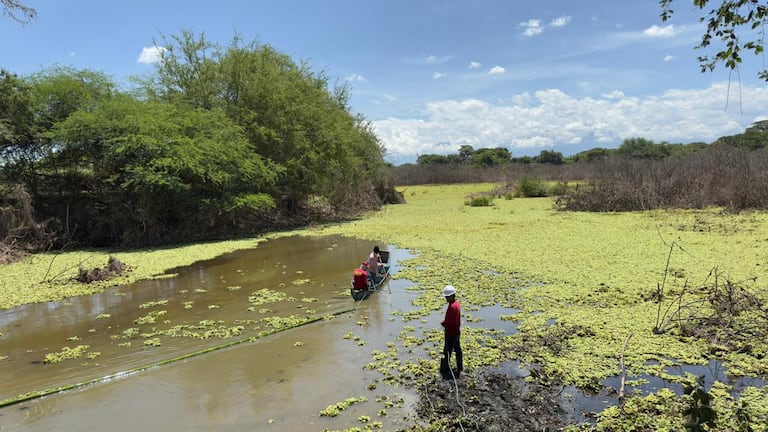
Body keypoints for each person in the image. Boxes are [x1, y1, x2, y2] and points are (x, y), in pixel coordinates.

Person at [440, 284, 463, 379]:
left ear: (452, 296)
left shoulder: (453, 307)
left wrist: (444, 323)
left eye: (447, 296)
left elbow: (452, 322)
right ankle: (460, 367)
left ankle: (445, 370)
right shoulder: (456, 304)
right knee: (458, 350)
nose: (445, 298)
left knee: (447, 351)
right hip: (456, 332)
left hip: (451, 333)